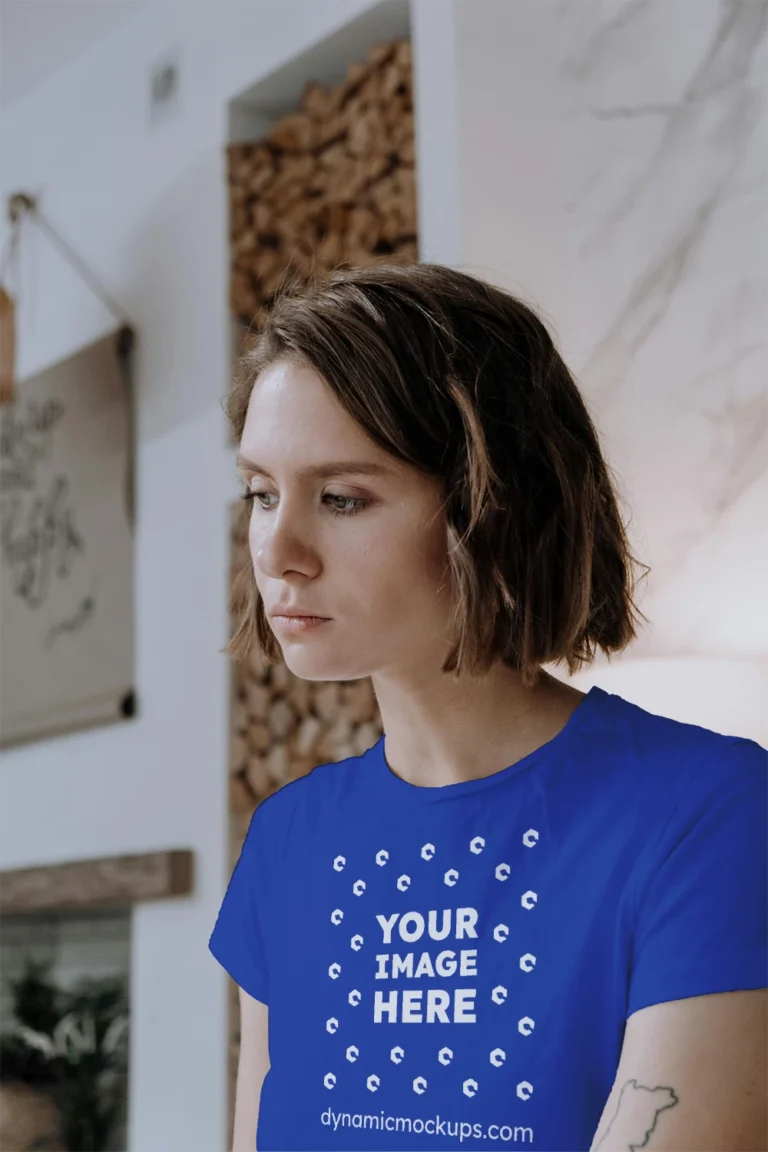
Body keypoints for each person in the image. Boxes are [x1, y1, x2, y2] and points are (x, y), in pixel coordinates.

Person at [208, 263, 768, 1152]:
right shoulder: (287, 840)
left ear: (492, 505)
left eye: (342, 497)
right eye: (261, 494)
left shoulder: (710, 812)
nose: (277, 549)